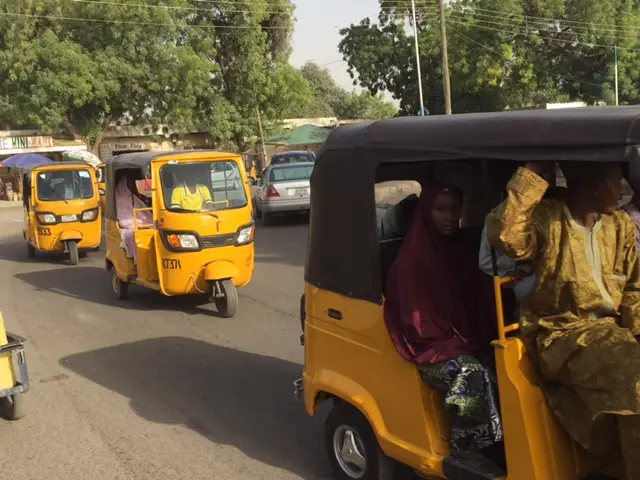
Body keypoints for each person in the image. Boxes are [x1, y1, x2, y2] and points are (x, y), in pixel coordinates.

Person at [487, 161, 640, 477]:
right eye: (616, 181)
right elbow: (505, 235)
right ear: (594, 186)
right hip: (560, 333)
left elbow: (635, 288)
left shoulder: (619, 226)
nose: (623, 189)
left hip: (610, 334)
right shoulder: (549, 220)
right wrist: (531, 172)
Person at [384, 183, 504, 473]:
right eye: (441, 209)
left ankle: (500, 443)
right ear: (427, 212)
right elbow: (418, 325)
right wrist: (458, 341)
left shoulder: (458, 247)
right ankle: (466, 449)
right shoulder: (412, 261)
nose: (450, 217)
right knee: (471, 373)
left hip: (460, 336)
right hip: (431, 349)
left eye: (454, 209)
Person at [115, 175, 152, 266]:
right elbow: (124, 221)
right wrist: (140, 226)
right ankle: (140, 264)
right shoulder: (121, 199)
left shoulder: (138, 197)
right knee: (136, 237)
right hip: (131, 226)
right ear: (125, 185)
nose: (133, 185)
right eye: (130, 183)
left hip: (145, 223)